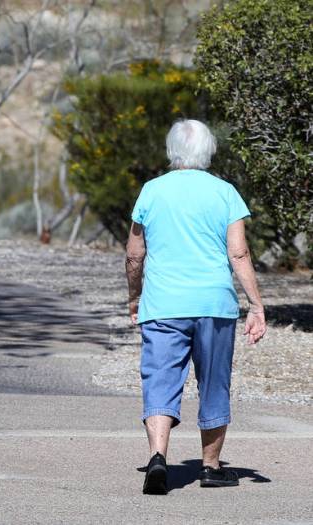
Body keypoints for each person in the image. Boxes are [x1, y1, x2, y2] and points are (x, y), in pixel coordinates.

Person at [126, 119, 266, 495]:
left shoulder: (151, 191)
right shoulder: (224, 192)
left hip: (163, 304)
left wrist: (134, 297)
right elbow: (238, 252)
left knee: (159, 379)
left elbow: (134, 254)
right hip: (213, 304)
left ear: (172, 150)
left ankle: (158, 456)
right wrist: (256, 305)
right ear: (208, 151)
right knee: (214, 382)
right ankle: (210, 466)